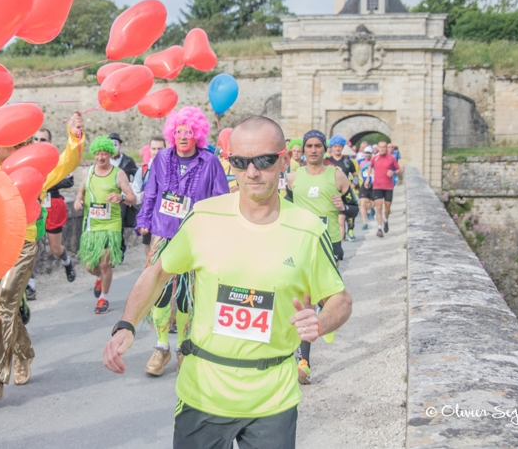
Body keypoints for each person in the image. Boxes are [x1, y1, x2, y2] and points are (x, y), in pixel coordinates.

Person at [104, 116, 352, 449]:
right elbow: (158, 272)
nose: (252, 172)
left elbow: (340, 298)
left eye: (263, 161)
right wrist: (126, 325)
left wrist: (320, 322)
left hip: (273, 399)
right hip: (202, 394)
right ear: (229, 162)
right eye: (240, 162)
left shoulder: (308, 229)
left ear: (284, 159)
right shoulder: (205, 216)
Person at [135, 107, 229, 376]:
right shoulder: (162, 159)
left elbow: (220, 200)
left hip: (194, 238)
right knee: (161, 292)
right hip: (163, 234)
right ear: (172, 134)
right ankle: (161, 347)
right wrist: (143, 220)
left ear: (197, 134)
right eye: (178, 132)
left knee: (187, 297)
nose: (183, 136)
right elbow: (151, 192)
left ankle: (184, 347)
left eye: (189, 132)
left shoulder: (209, 162)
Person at [285, 130, 357, 384]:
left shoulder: (337, 176)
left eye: (318, 146)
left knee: (325, 296)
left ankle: (327, 316)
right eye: (309, 146)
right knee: (306, 300)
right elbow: (286, 208)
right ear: (303, 150)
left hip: (330, 244)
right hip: (302, 245)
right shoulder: (293, 178)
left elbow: (355, 207)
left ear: (325, 149)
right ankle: (303, 361)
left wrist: (344, 208)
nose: (313, 150)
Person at [24, 117, 87, 300]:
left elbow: (68, 168)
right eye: (35, 139)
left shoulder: (52, 164)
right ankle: (30, 287)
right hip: (16, 223)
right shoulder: (19, 160)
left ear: (49, 143)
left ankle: (66, 262)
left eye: (42, 140)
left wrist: (75, 137)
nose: (38, 143)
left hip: (50, 209)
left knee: (54, 247)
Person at [74, 136, 136, 315]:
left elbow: (132, 197)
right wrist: (78, 200)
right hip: (92, 225)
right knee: (89, 266)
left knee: (105, 264)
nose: (101, 157)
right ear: (94, 154)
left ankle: (104, 298)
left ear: (111, 154)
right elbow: (81, 191)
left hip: (111, 224)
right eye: (98, 154)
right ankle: (100, 278)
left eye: (105, 154)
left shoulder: (118, 173)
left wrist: (121, 197)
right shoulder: (89, 172)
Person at [131, 136, 167, 257]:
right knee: (148, 245)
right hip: (149, 214)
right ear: (149, 150)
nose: (156, 152)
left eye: (160, 149)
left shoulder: (172, 169)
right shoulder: (143, 171)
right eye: (154, 149)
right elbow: (133, 194)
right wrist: (140, 195)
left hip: (166, 215)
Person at [108, 133, 138, 256]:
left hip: (121, 199)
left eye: (116, 144)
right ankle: (112, 250)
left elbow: (137, 176)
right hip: (106, 199)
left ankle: (119, 249)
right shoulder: (104, 160)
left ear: (120, 145)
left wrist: (131, 190)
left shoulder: (128, 161)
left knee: (118, 225)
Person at [324, 135, 358, 242]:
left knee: (341, 220)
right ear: (331, 148)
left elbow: (356, 175)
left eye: (339, 146)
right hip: (329, 193)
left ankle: (340, 246)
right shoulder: (326, 161)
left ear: (342, 147)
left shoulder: (348, 162)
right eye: (335, 146)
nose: (337, 149)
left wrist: (352, 185)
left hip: (344, 194)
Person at [369, 141, 403, 238]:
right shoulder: (374, 158)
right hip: (377, 186)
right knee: (379, 207)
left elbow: (400, 170)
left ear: (386, 148)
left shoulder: (391, 158)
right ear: (378, 148)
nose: (383, 148)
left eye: (384, 147)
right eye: (381, 147)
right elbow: (370, 166)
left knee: (387, 207)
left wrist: (393, 172)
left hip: (388, 186)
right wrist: (368, 177)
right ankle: (379, 228)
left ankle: (386, 220)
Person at [358, 146, 374, 229]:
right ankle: (364, 223)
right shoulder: (360, 162)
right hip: (363, 183)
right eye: (366, 153)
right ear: (364, 154)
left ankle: (372, 210)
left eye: (369, 153)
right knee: (362, 203)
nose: (367, 155)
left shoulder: (374, 161)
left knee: (372, 203)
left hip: (373, 184)